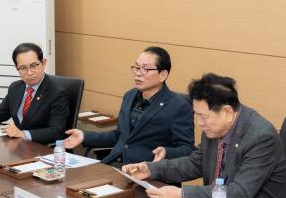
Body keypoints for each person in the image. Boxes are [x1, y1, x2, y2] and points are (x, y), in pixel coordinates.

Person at [122, 73, 286, 198]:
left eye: (203, 116)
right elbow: (194, 163)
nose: (199, 123)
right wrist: (151, 169)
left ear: (227, 112)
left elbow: (239, 193)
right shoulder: (215, 128)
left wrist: (181, 194)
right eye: (196, 115)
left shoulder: (261, 136)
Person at [62, 47, 193, 166]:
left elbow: (186, 149)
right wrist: (85, 136)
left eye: (146, 69)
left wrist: (166, 152)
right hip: (115, 164)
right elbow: (119, 136)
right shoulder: (130, 96)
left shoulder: (178, 106)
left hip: (147, 172)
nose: (138, 73)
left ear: (163, 75)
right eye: (136, 67)